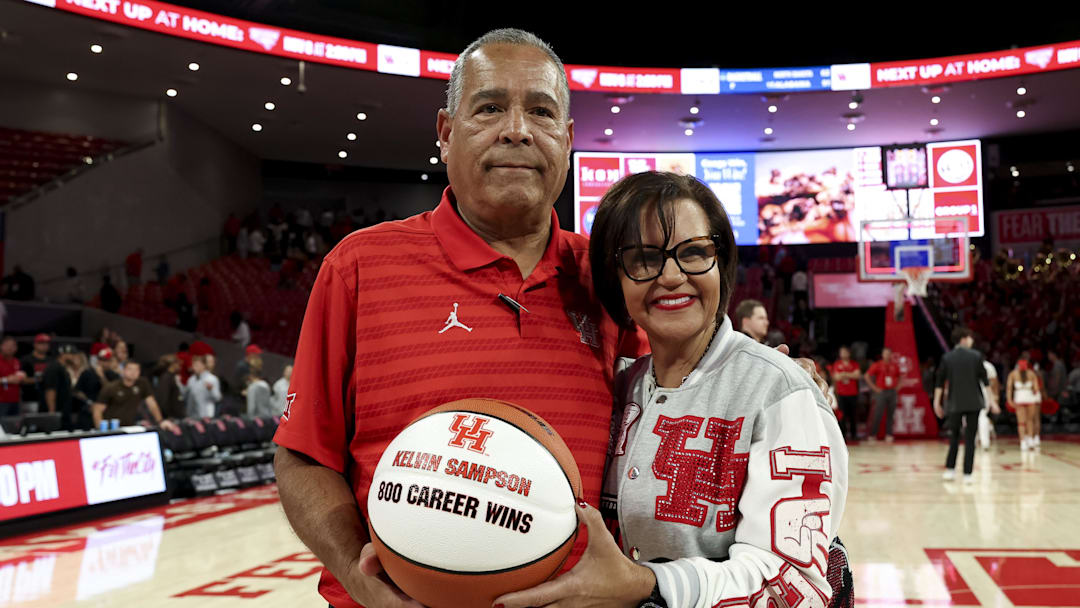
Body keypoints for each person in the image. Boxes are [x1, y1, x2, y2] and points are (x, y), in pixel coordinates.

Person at [271, 29, 831, 608]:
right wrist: (355, 574)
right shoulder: (359, 266)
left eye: (539, 111)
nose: (516, 129)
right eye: (489, 108)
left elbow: (682, 382)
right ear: (445, 132)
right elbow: (302, 454)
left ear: (565, 140)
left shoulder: (615, 275)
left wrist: (773, 382)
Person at [499, 170, 848, 607]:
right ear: (616, 279)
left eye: (694, 252)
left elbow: (795, 588)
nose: (670, 276)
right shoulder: (616, 388)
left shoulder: (778, 390)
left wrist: (649, 584)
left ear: (720, 262)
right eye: (644, 259)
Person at [933, 328, 992, 483]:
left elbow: (939, 382)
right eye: (970, 338)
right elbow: (985, 381)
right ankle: (968, 474)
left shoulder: (947, 358)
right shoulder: (976, 356)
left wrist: (936, 402)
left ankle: (950, 470)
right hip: (974, 403)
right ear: (964, 339)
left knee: (954, 437)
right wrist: (990, 401)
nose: (972, 341)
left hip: (955, 402)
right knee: (970, 438)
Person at [93, 360, 171, 428]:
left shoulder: (142, 383)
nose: (133, 373)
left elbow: (152, 403)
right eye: (130, 369)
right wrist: (100, 429)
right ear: (123, 370)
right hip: (112, 427)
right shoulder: (111, 387)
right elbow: (97, 410)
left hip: (130, 426)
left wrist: (160, 421)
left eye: (137, 370)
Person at [1006, 354, 1042, 450]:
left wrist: (1009, 400)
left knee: (1021, 422)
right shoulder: (1031, 373)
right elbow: (1036, 388)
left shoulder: (1013, 374)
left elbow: (1009, 388)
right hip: (1030, 398)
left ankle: (1023, 442)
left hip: (1019, 399)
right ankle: (1030, 439)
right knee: (1030, 420)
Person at [865, 347, 900, 442]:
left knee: (891, 414)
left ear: (891, 355)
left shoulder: (894, 366)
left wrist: (897, 387)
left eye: (889, 353)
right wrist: (875, 388)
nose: (887, 355)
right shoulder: (877, 365)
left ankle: (889, 434)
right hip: (881, 392)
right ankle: (872, 434)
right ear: (882, 354)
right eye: (885, 353)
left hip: (892, 391)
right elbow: (867, 376)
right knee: (878, 414)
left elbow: (899, 376)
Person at [42, 344, 78, 430]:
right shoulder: (54, 368)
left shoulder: (63, 368)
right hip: (57, 412)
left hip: (63, 411)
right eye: (71, 354)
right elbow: (50, 391)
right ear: (63, 354)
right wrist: (52, 414)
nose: (74, 356)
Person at [830, 345, 861, 441]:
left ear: (849, 353)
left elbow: (857, 375)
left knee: (853, 415)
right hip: (841, 394)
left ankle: (854, 434)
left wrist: (844, 374)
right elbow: (836, 377)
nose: (843, 354)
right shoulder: (837, 364)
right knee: (842, 415)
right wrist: (849, 374)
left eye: (845, 352)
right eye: (841, 352)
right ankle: (843, 435)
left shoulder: (854, 364)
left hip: (853, 393)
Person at [20, 333, 52, 413]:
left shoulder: (51, 360)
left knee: (47, 422)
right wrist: (38, 379)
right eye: (41, 343)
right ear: (35, 344)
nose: (44, 346)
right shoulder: (26, 360)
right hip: (30, 398)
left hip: (47, 398)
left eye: (46, 343)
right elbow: (21, 380)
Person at [150, 354, 186, 420]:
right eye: (178, 364)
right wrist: (168, 416)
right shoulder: (166, 378)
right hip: (170, 417)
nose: (179, 367)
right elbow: (163, 399)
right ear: (173, 364)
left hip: (176, 416)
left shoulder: (172, 376)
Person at [979, 356, 1000, 451]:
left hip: (981, 392)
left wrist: (995, 398)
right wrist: (995, 398)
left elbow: (994, 382)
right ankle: (984, 442)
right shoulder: (988, 366)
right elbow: (994, 383)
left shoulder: (987, 366)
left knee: (978, 417)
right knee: (982, 416)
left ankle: (981, 441)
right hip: (984, 392)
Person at [0, 337, 25, 416]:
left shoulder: (16, 361)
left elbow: (19, 377)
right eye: (7, 345)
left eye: (13, 346)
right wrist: (6, 380)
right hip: (1, 401)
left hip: (16, 400)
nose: (10, 348)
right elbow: (9, 379)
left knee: (15, 425)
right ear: (1, 346)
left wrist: (22, 376)